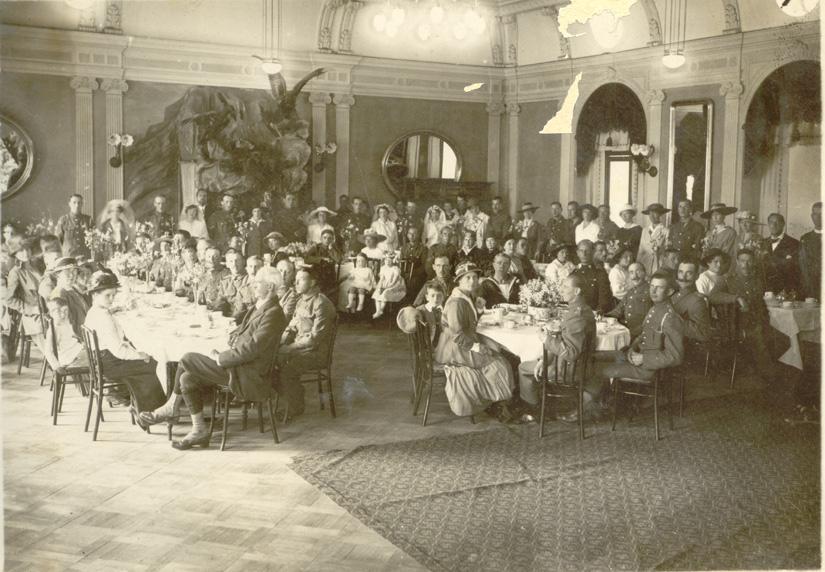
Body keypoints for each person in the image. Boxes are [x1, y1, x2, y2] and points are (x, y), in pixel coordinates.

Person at [144, 266, 287, 449]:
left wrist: (221, 358)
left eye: (259, 283)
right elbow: (244, 334)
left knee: (187, 358)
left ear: (271, 287)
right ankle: (199, 431)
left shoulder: (274, 313)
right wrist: (232, 337)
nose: (253, 285)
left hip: (250, 376)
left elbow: (252, 349)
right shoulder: (261, 306)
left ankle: (171, 406)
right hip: (240, 367)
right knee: (186, 378)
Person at [567, 272, 684, 422]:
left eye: (659, 288)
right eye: (652, 286)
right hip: (635, 357)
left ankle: (581, 411)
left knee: (597, 370)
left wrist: (643, 358)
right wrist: (632, 347)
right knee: (592, 357)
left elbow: (676, 356)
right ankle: (600, 404)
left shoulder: (670, 318)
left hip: (648, 368)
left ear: (669, 292)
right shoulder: (655, 309)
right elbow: (644, 335)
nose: (653, 291)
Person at [434, 261, 515, 422]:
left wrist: (477, 310)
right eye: (468, 278)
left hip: (462, 342)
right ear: (459, 281)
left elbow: (467, 323)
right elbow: (457, 335)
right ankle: (495, 404)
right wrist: (477, 347)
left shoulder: (465, 296)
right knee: (498, 362)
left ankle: (496, 401)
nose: (472, 281)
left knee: (497, 351)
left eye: (475, 277)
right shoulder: (456, 302)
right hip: (455, 347)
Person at [83, 271, 166, 416]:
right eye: (107, 295)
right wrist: (141, 355)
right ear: (95, 295)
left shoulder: (96, 311)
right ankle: (150, 411)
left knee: (145, 355)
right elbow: (119, 351)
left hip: (100, 361)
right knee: (155, 362)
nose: (111, 299)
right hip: (110, 364)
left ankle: (139, 403)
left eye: (113, 295)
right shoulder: (103, 318)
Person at [518, 274, 596, 418]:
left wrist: (545, 339)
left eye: (566, 286)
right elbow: (566, 341)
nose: (561, 289)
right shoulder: (583, 309)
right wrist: (545, 359)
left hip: (569, 370)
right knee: (537, 363)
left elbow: (571, 353)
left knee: (523, 368)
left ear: (577, 291)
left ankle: (534, 412)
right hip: (580, 366)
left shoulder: (575, 316)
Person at [278, 266, 337, 417]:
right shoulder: (301, 301)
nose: (296, 282)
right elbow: (291, 327)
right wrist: (281, 343)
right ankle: (293, 397)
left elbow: (314, 338)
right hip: (299, 349)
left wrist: (289, 348)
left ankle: (294, 408)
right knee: (269, 362)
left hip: (315, 353)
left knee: (287, 370)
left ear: (312, 282)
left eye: (301, 279)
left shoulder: (321, 303)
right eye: (296, 279)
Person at [4, 238, 43, 336]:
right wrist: (31, 309)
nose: (25, 253)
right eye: (21, 250)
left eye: (27, 249)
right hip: (34, 316)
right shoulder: (15, 273)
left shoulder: (38, 265)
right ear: (15, 254)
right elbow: (9, 300)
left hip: (50, 310)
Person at [41, 297, 89, 371]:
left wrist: (81, 342)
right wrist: (56, 367)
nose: (63, 314)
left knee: (95, 352)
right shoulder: (54, 329)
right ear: (51, 313)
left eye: (66, 310)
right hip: (68, 358)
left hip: (75, 352)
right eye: (58, 311)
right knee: (97, 358)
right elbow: (48, 351)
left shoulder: (66, 323)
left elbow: (70, 337)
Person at [607, 262, 652, 339]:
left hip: (640, 334)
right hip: (627, 331)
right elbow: (618, 310)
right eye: (631, 272)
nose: (635, 276)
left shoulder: (651, 291)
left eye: (638, 271)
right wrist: (604, 315)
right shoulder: (630, 292)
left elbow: (652, 319)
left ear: (644, 273)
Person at [48, 257, 91, 336]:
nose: (72, 275)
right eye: (67, 272)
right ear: (58, 275)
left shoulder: (72, 290)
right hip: (80, 339)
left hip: (87, 331)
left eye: (74, 272)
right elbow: (65, 329)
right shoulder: (59, 294)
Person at [763, 212, 801, 295]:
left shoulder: (794, 243)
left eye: (777, 222)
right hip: (765, 289)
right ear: (768, 224)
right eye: (771, 222)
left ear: (783, 224)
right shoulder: (762, 243)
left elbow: (796, 270)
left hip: (785, 290)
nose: (773, 225)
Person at [571, 240, 612, 314]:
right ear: (577, 253)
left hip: (592, 315)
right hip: (574, 313)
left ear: (593, 252)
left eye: (587, 251)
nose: (584, 254)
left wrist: (597, 314)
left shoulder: (600, 273)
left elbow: (604, 300)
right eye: (581, 251)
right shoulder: (574, 273)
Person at [212, 250, 248, 319]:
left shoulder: (249, 279)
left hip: (245, 319)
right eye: (231, 261)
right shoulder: (225, 282)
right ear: (227, 264)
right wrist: (218, 315)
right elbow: (220, 303)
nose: (234, 264)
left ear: (243, 262)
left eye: (237, 261)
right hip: (229, 320)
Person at [55, 194, 93, 258]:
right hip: (69, 258)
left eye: (79, 203)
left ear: (82, 204)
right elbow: (58, 241)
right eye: (74, 202)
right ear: (69, 204)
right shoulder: (63, 220)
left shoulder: (88, 220)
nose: (77, 205)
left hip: (85, 258)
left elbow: (94, 241)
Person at [637, 203, 670, 275]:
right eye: (650, 213)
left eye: (655, 213)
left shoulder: (665, 231)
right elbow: (641, 250)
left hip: (658, 264)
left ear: (660, 214)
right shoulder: (645, 230)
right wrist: (638, 265)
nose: (651, 216)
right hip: (645, 264)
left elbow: (667, 251)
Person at [372, 253, 406, 319]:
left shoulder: (395, 269)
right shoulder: (383, 268)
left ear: (393, 261)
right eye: (386, 260)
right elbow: (381, 279)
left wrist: (388, 287)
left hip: (394, 285)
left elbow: (394, 281)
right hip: (385, 283)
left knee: (385, 293)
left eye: (389, 261)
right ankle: (378, 310)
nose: (387, 262)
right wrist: (380, 286)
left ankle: (381, 309)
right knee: (377, 294)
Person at [799, 202, 822, 299]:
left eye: (822, 214)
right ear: (812, 216)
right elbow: (803, 265)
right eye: (816, 214)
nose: (819, 217)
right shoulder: (805, 238)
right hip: (811, 288)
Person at [399, 226, 428, 301]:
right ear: (407, 235)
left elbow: (424, 266)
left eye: (414, 234)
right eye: (410, 233)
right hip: (404, 275)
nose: (411, 236)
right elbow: (401, 262)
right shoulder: (404, 247)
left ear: (418, 235)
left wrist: (413, 273)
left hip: (417, 275)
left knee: (413, 284)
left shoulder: (423, 249)